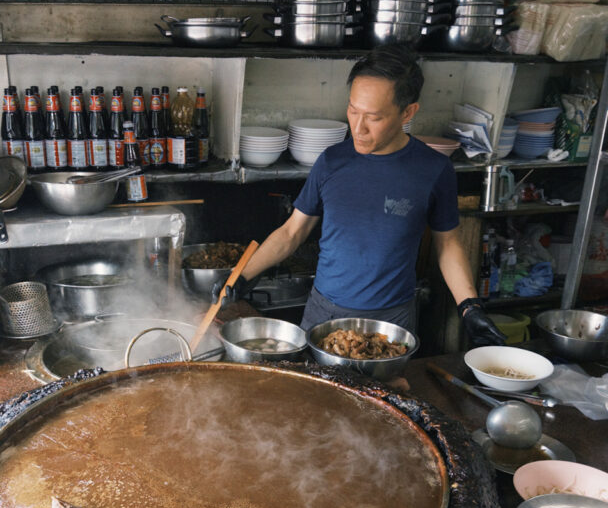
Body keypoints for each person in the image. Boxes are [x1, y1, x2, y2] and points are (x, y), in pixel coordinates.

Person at [214, 43, 505, 347]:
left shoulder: (434, 170)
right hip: (323, 314)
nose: (358, 127)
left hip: (390, 323)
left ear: (408, 112)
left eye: (374, 117)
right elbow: (292, 231)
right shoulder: (331, 161)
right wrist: (241, 277)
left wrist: (469, 306)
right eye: (353, 110)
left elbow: (448, 245)